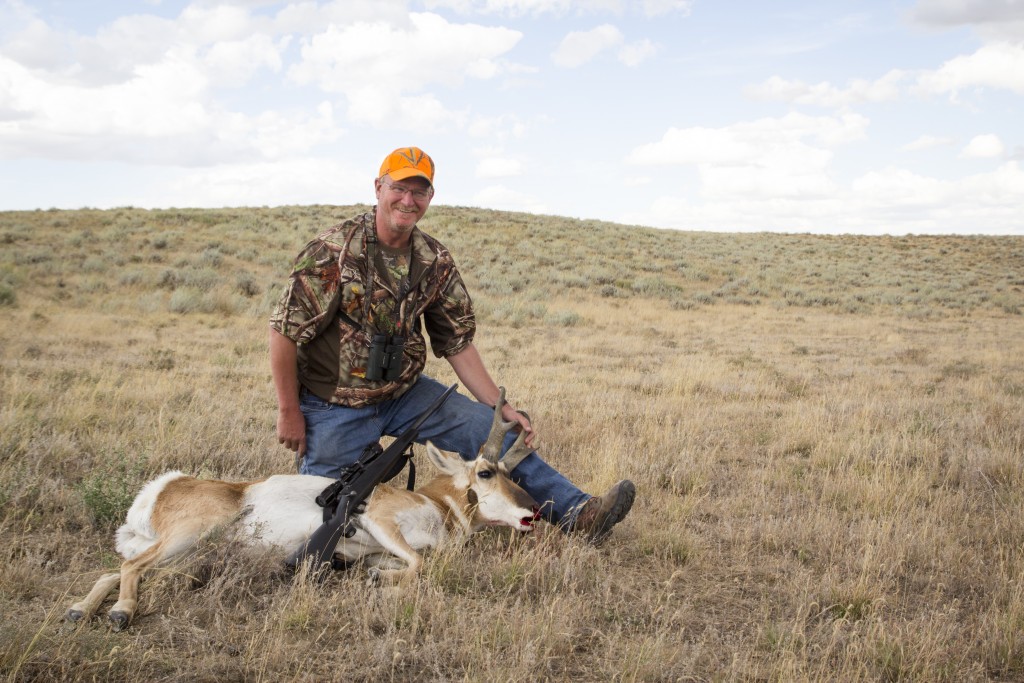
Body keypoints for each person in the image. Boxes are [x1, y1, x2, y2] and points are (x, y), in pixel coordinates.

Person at [269, 146, 634, 544]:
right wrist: (290, 410)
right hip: (333, 404)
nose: (408, 201)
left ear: (430, 198)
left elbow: (457, 342)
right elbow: (285, 332)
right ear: (378, 188)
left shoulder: (434, 259)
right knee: (324, 518)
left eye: (419, 192)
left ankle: (577, 513)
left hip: (404, 394)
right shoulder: (333, 251)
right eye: (399, 188)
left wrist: (501, 408)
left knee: (493, 430)